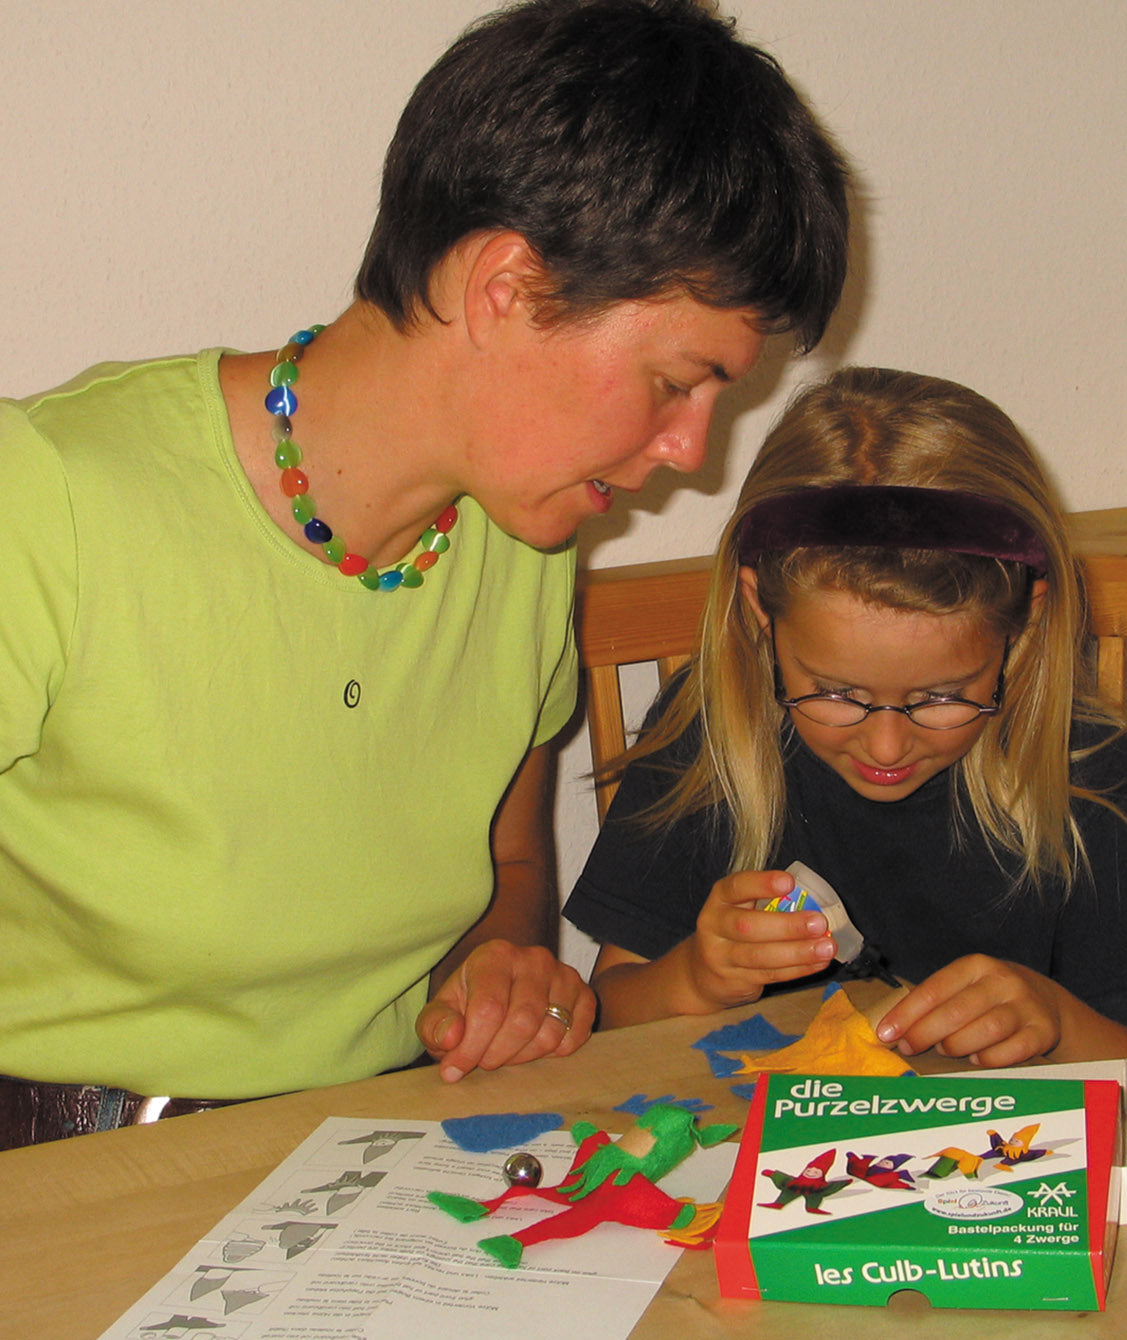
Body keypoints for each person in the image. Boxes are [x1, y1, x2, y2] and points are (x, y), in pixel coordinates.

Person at [0, 0, 849, 1149]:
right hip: (70, 1175)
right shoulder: (50, 495)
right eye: (673, 381)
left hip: (377, 1154)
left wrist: (503, 970)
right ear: (503, 286)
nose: (690, 452)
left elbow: (504, 866)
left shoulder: (523, 538)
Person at [565, 367, 1127, 1121]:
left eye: (942, 697)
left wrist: (1056, 1021)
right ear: (761, 610)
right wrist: (695, 975)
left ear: (1023, 626)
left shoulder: (1085, 774)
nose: (886, 741)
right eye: (836, 692)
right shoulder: (711, 736)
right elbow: (612, 1013)